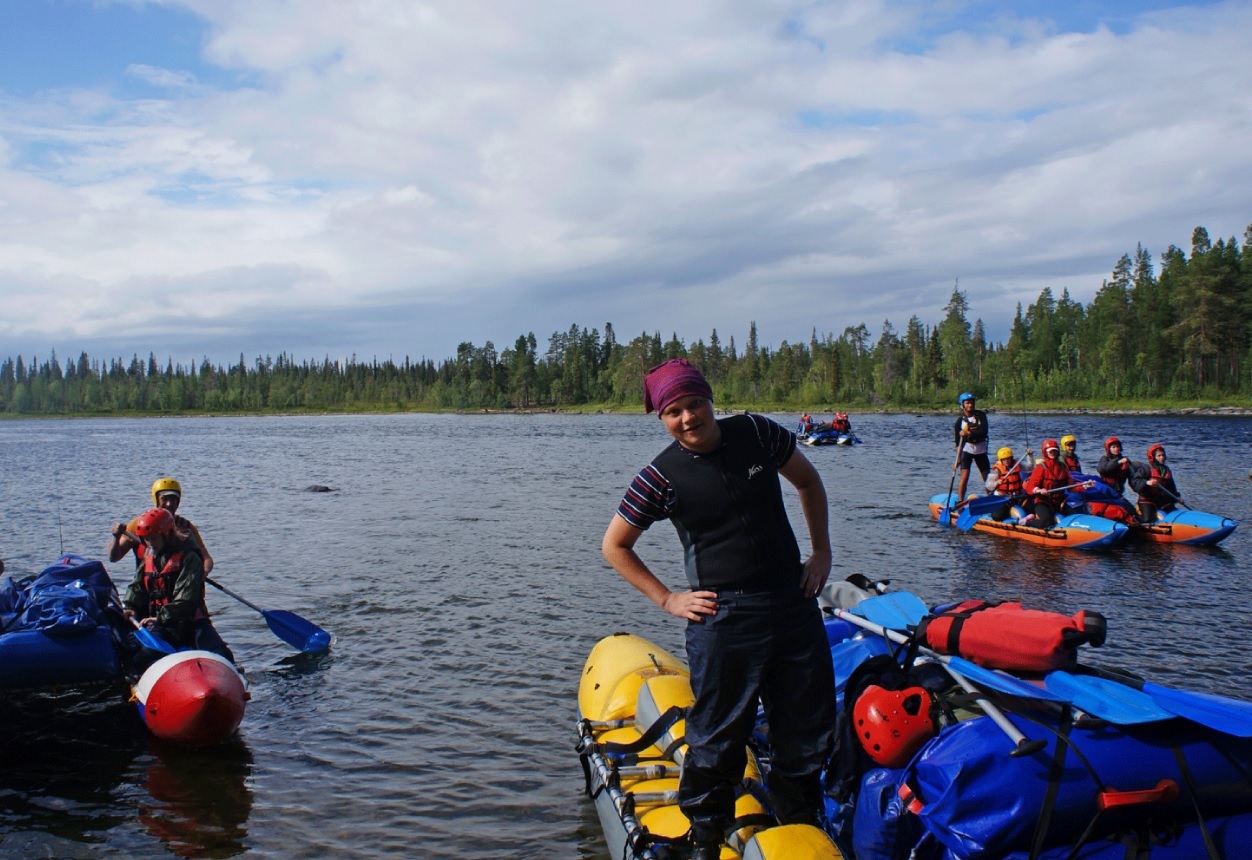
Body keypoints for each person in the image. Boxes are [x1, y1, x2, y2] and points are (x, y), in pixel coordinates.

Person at [601, 359, 835, 858]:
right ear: (662, 418)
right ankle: (706, 834)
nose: (688, 418)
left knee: (805, 724)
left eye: (695, 404)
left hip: (792, 601)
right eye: (674, 411)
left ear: (711, 401)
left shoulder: (756, 432)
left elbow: (809, 483)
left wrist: (821, 554)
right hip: (722, 617)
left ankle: (801, 823)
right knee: (717, 735)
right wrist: (667, 598)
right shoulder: (659, 476)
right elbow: (615, 546)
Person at [121, 507, 234, 669]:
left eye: (154, 539)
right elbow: (137, 586)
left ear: (166, 534)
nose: (150, 544)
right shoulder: (150, 556)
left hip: (191, 623)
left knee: (223, 655)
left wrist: (160, 618)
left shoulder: (190, 557)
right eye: (147, 539)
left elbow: (186, 599)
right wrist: (130, 606)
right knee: (140, 658)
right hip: (165, 626)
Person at [108, 478, 214, 574]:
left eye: (173, 499)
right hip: (148, 585)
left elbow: (207, 559)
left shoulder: (186, 526)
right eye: (165, 499)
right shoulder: (139, 524)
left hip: (178, 585)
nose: (169, 504)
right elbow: (114, 558)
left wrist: (203, 572)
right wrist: (116, 538)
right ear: (157, 499)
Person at [1022, 439, 1091, 529]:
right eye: (1050, 451)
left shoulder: (1063, 467)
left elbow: (1071, 487)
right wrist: (1039, 490)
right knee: (1046, 523)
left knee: (1075, 516)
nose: (1053, 453)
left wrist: (1084, 486)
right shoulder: (1041, 467)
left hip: (1058, 502)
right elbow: (1030, 487)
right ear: (1045, 452)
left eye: (1054, 451)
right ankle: (1026, 523)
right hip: (1043, 502)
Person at [1130, 444, 1183, 522]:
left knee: (1174, 512)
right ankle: (1135, 519)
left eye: (1163, 455)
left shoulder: (1166, 470)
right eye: (1159, 456)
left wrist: (1177, 497)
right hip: (1147, 500)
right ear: (1153, 457)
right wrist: (1147, 482)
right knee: (1147, 520)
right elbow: (1135, 482)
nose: (1162, 458)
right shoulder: (1146, 469)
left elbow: (1171, 487)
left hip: (1161, 500)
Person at [953, 393, 990, 501]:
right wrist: (958, 459)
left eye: (972, 402)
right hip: (967, 449)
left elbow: (983, 431)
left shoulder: (981, 416)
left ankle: (991, 498)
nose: (970, 405)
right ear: (963, 405)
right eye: (967, 403)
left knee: (987, 477)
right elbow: (957, 443)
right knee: (964, 476)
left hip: (980, 449)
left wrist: (968, 433)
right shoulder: (959, 422)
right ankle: (960, 501)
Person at [984, 446, 1030, 521]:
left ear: (1011, 458)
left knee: (1030, 507)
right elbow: (988, 485)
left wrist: (1030, 456)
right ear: (1001, 460)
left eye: (1008, 458)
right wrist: (996, 483)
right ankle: (999, 510)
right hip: (1002, 497)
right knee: (997, 517)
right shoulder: (997, 470)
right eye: (1004, 459)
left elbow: (1030, 468)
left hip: (1016, 496)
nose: (1006, 461)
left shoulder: (1017, 464)